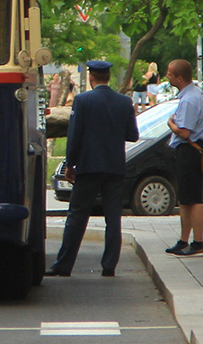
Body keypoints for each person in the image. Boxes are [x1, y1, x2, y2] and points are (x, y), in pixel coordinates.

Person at [46, 60, 139, 278]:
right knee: (113, 218)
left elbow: (75, 135)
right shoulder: (124, 102)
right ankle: (109, 266)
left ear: (91, 77)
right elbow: (132, 135)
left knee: (77, 216)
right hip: (114, 168)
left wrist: (70, 164)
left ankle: (64, 265)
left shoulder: (82, 100)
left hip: (89, 167)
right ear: (108, 77)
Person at [164, 59, 203, 258]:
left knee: (194, 199)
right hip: (192, 150)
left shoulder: (190, 99)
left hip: (190, 151)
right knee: (185, 200)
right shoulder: (195, 94)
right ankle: (184, 241)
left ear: (179, 78)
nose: (167, 76)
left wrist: (170, 123)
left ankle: (198, 242)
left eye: (169, 73)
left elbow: (184, 132)